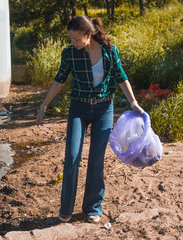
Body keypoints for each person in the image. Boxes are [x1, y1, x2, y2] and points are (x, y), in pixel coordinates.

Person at [35, 15, 144, 223]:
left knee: (96, 161)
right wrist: (44, 104)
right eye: (70, 39)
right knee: (72, 158)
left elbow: (121, 76)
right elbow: (60, 79)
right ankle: (66, 209)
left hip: (104, 109)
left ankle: (93, 208)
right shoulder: (69, 53)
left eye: (76, 39)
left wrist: (133, 102)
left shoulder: (109, 51)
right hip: (78, 108)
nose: (72, 43)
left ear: (88, 35)